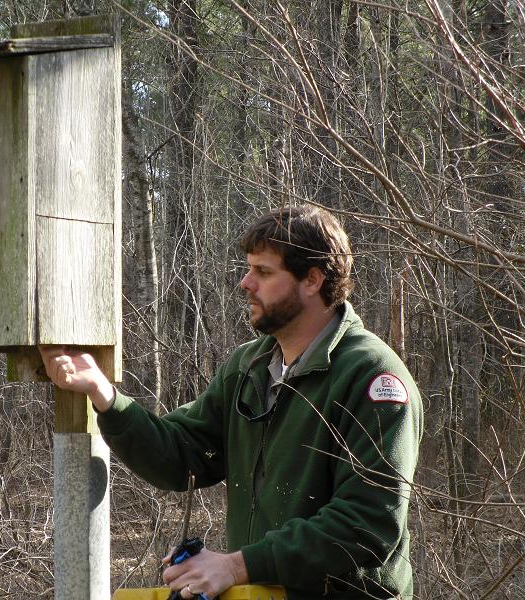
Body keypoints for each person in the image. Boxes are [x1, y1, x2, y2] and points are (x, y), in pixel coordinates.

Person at [40, 205, 423, 600]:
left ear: (312, 280)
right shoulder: (250, 366)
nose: (245, 283)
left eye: (264, 272)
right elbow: (181, 454)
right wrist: (103, 394)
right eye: (248, 268)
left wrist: (235, 565)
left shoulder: (372, 377)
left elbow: (367, 525)